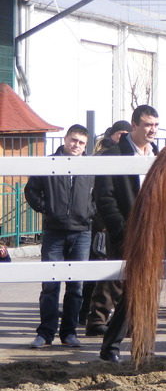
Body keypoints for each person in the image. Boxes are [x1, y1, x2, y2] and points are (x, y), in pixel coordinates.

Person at [96, 105, 160, 363]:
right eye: (147, 125)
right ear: (133, 126)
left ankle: (131, 346)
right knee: (135, 288)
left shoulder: (159, 156)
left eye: (155, 125)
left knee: (145, 289)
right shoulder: (113, 155)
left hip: (155, 234)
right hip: (126, 234)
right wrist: (122, 231)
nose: (152, 130)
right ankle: (115, 345)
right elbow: (105, 198)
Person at [24, 124, 95, 349]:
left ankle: (69, 333)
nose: (76, 145)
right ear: (65, 139)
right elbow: (31, 190)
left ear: (86, 146)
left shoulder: (91, 166)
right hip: (54, 232)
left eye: (81, 142)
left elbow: (102, 195)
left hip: (82, 232)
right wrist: (48, 209)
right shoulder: (49, 163)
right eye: (73, 140)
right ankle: (45, 333)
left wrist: (88, 213)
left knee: (76, 286)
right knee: (50, 286)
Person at [80, 120, 134, 334]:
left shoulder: (144, 153)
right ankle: (95, 318)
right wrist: (105, 223)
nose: (124, 137)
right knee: (109, 274)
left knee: (121, 275)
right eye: (121, 134)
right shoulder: (107, 156)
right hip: (106, 223)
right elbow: (100, 193)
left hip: (118, 221)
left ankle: (117, 321)